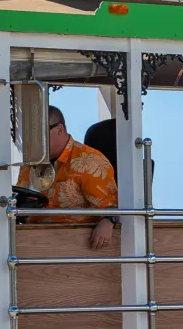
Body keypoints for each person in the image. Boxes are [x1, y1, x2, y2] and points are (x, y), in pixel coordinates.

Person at [22, 106, 118, 251]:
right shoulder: (30, 162)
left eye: (38, 134)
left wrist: (109, 220)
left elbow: (113, 209)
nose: (33, 140)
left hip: (78, 246)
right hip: (30, 241)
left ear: (59, 129)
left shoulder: (90, 162)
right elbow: (20, 197)